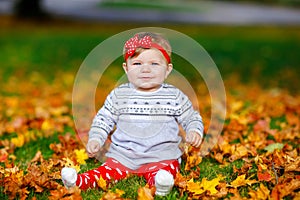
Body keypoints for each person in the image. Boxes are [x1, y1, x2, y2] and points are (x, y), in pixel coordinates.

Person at [61, 32, 204, 196]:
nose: (145, 69)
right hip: (123, 156)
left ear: (167, 69)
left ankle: (160, 184)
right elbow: (104, 119)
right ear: (126, 68)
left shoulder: (174, 96)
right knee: (105, 172)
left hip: (161, 156)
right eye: (137, 63)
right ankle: (78, 181)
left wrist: (194, 130)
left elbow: (191, 117)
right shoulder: (119, 95)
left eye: (154, 64)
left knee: (165, 170)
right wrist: (96, 138)